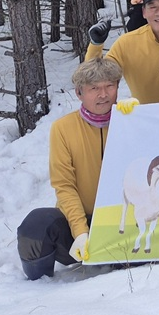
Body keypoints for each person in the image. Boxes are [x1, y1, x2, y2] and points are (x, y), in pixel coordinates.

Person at [17, 58, 122, 279]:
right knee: (36, 226)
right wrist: (80, 232)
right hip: (79, 224)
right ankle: (38, 285)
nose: (103, 94)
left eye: (109, 86)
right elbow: (64, 186)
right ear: (79, 93)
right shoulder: (63, 129)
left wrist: (137, 118)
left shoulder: (132, 121)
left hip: (123, 223)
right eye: (94, 88)